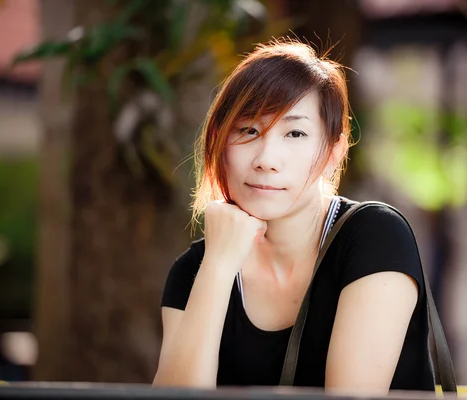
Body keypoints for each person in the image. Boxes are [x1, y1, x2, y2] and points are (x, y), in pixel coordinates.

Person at [153, 39, 435, 393]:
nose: (266, 159)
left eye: (295, 133)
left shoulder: (374, 237)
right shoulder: (194, 270)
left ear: (334, 152)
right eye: (248, 130)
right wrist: (218, 266)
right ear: (219, 145)